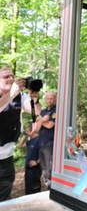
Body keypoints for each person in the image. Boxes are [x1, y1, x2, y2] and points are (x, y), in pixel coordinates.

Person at [0, 67, 41, 201]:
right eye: (6, 76)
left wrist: (34, 99)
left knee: (4, 199)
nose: (10, 78)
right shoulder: (13, 94)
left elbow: (36, 112)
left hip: (6, 158)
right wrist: (11, 94)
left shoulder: (20, 96)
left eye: (12, 76)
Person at [35, 91, 56, 188]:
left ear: (54, 99)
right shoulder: (43, 111)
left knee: (49, 166)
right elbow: (36, 129)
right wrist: (44, 120)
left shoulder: (55, 110)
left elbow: (50, 125)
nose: (49, 100)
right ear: (45, 99)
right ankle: (48, 185)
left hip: (50, 143)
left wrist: (40, 120)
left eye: (51, 98)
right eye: (47, 98)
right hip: (41, 143)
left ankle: (51, 188)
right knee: (43, 168)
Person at [23, 126, 41, 195]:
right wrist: (25, 136)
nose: (26, 131)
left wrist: (36, 162)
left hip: (35, 170)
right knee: (28, 190)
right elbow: (20, 145)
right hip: (28, 169)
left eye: (28, 130)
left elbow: (44, 154)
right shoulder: (30, 141)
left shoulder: (39, 140)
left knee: (35, 191)